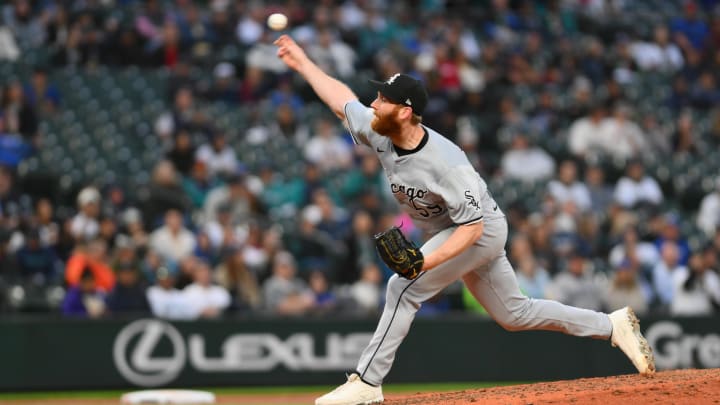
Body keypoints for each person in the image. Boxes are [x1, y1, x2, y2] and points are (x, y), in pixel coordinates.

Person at [273, 35, 655, 405]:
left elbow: (473, 228)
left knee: (402, 288)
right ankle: (612, 326)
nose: (373, 104)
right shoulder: (381, 132)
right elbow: (343, 103)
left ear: (404, 111)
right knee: (514, 314)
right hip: (451, 228)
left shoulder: (446, 163)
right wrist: (303, 62)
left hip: (479, 229)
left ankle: (368, 383)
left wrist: (421, 263)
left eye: (382, 99)